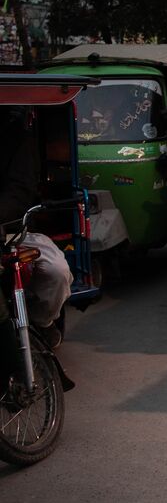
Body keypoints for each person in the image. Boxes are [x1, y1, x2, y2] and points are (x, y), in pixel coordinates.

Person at [0, 110, 72, 347]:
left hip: (13, 233)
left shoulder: (16, 138)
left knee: (57, 272)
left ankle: (42, 323)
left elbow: (19, 191)